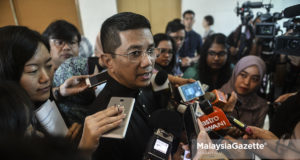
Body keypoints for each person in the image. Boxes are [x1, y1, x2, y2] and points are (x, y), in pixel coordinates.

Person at [0, 26, 125, 154]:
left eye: (49, 66)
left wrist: (59, 92)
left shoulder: (37, 99)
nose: (46, 78)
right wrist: (83, 149)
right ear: (7, 72)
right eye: (33, 70)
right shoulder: (9, 128)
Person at [90, 12, 163, 160]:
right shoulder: (104, 123)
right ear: (109, 61)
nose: (148, 61)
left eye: (150, 50)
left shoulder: (145, 85)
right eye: (135, 53)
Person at [220, 55, 268, 128]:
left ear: (259, 82)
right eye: (243, 75)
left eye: (254, 79)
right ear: (235, 73)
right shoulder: (218, 96)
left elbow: (255, 137)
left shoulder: (261, 106)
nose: (246, 82)